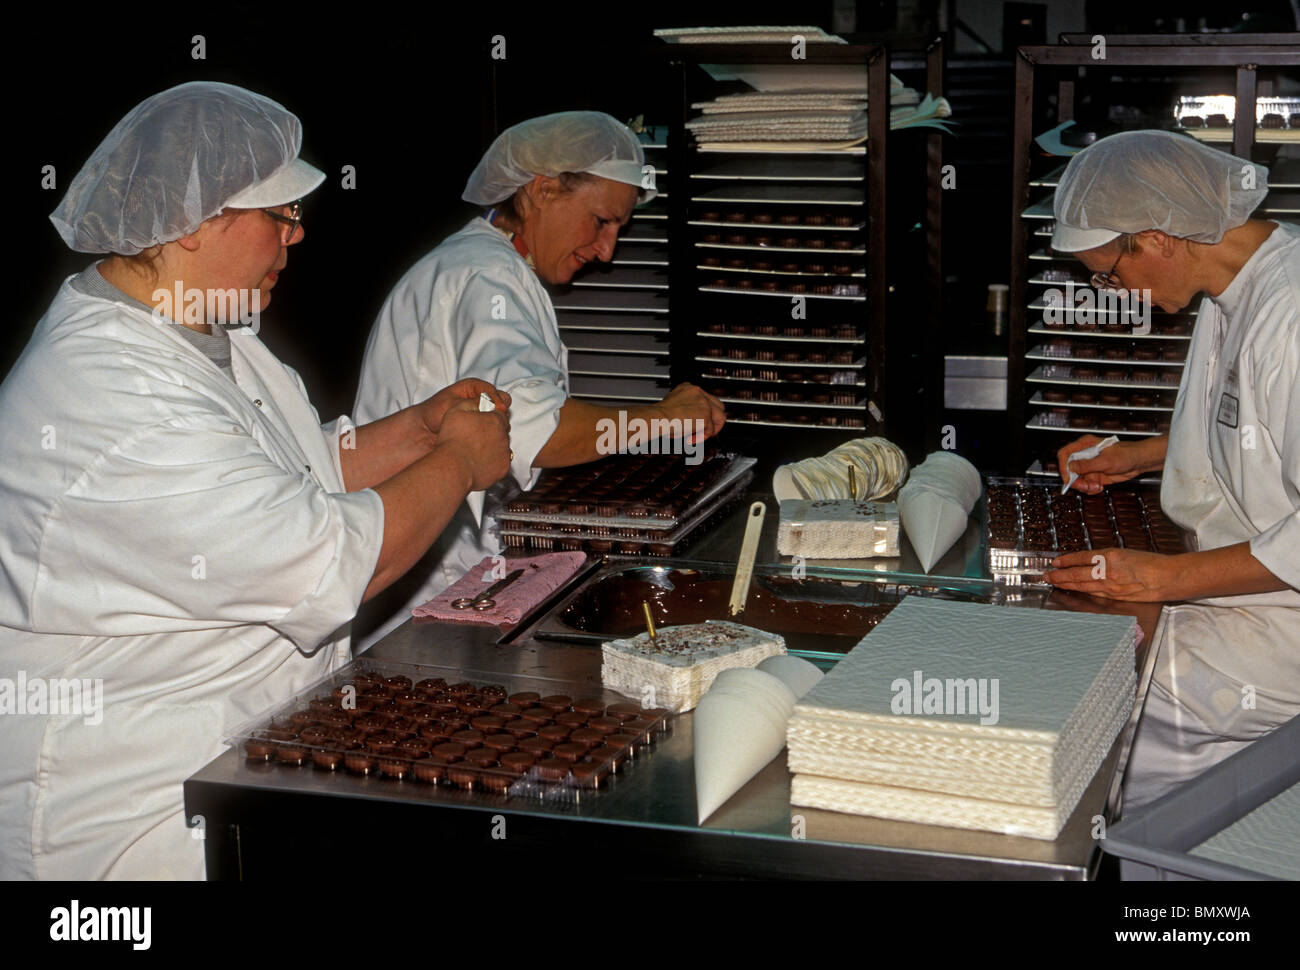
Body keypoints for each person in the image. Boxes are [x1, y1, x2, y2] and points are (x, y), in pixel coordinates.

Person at [0, 81, 511, 879]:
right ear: (197, 223)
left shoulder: (208, 328)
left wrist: (418, 428)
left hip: (236, 767)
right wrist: (461, 462)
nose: (296, 236)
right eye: (282, 216)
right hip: (129, 814)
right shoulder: (109, 396)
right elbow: (329, 562)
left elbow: (296, 469)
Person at [353, 111, 726, 648]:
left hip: (451, 583)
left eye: (621, 228)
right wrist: (661, 420)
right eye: (601, 221)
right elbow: (534, 428)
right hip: (433, 600)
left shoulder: (481, 265)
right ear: (543, 190)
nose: (608, 251)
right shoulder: (487, 277)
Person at [1043, 130, 1299, 811]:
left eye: (1108, 271)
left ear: (1157, 236)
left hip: (1286, 626)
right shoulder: (1232, 290)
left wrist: (1163, 580)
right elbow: (1253, 426)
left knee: (1096, 700)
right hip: (1254, 593)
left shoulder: (1293, 315)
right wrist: (1142, 454)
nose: (1113, 290)